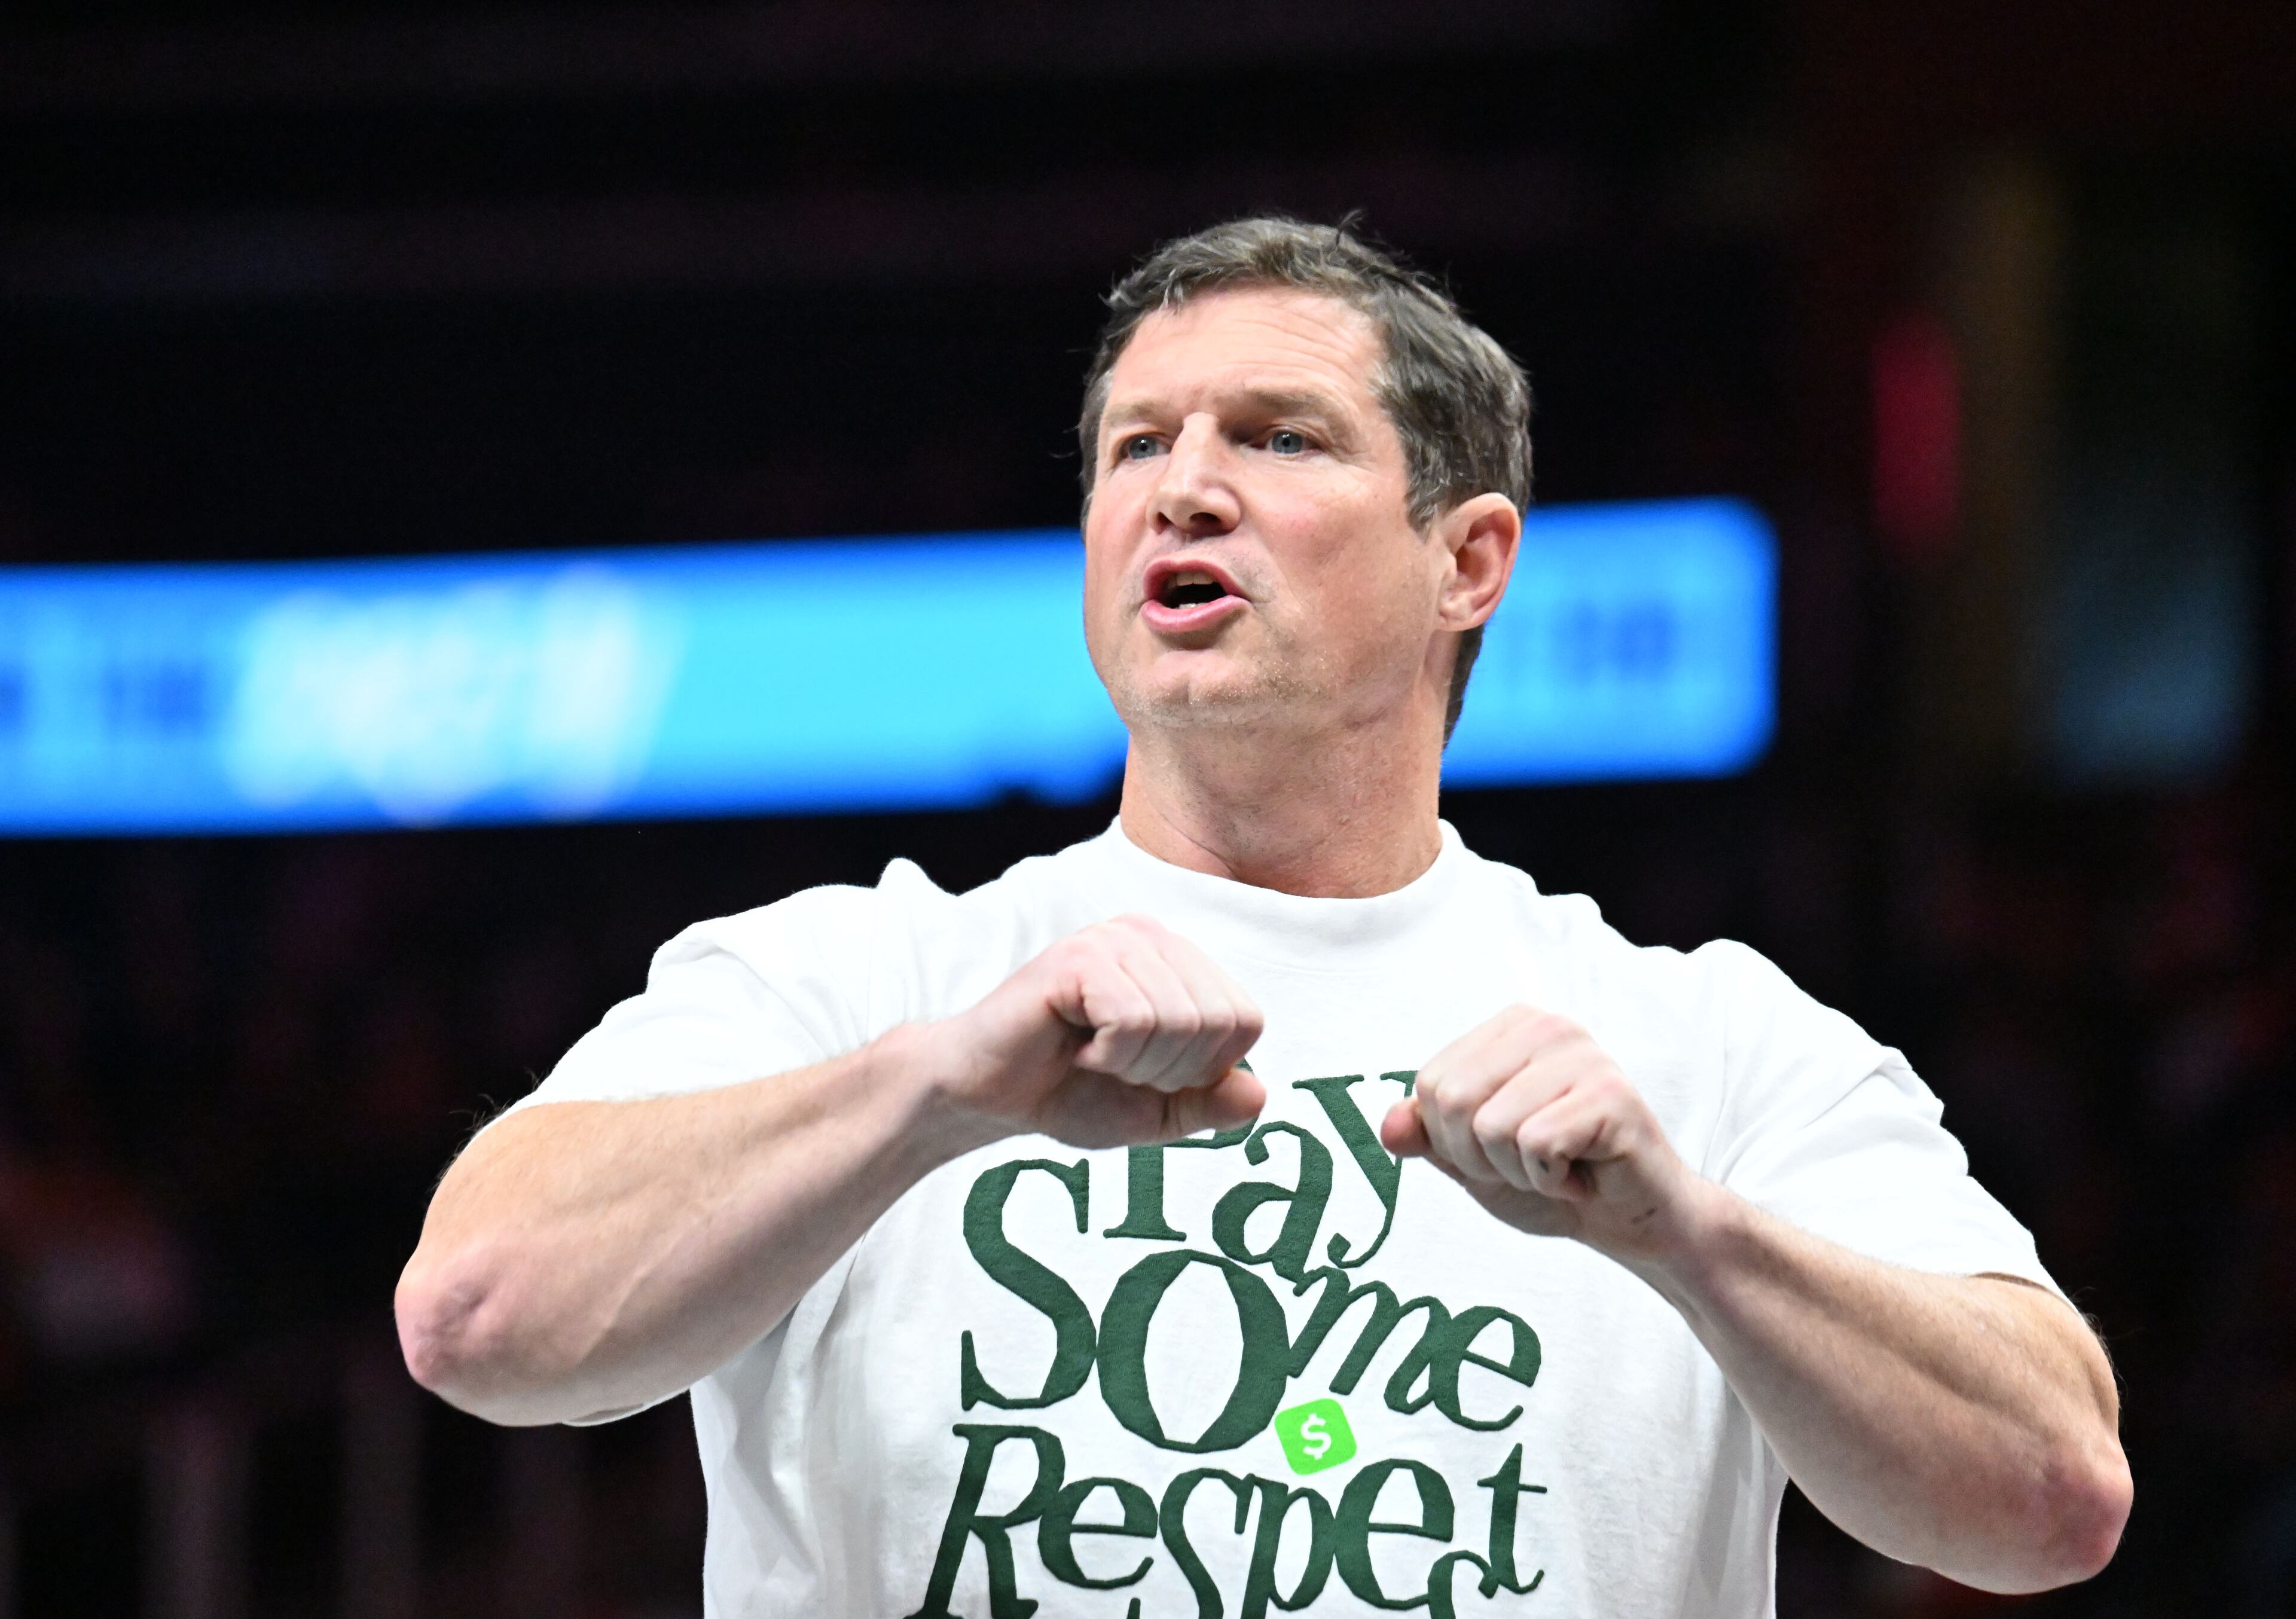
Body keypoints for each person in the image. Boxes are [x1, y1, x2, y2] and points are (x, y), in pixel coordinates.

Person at [395, 217, 2130, 1618]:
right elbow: (475, 1320)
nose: (1182, 485)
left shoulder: (1710, 1041)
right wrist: (932, 1093)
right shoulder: (858, 978)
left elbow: (2052, 1496)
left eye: (1277, 437)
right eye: (1136, 445)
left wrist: (1686, 1232)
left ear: (1470, 559)